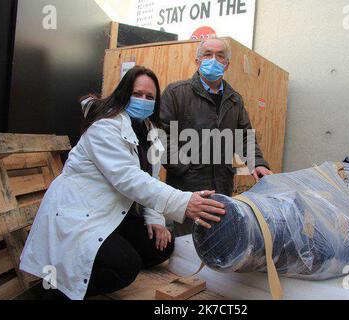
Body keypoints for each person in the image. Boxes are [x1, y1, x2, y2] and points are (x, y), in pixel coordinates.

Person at [19, 66, 226, 300]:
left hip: (113, 211)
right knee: (125, 266)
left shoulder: (151, 132)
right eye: (137, 94)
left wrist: (156, 219)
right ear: (124, 93)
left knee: (161, 247)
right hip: (80, 212)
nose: (143, 100)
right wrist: (184, 201)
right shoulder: (105, 127)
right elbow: (129, 179)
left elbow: (150, 179)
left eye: (150, 97)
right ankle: (52, 292)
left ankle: (103, 260)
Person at [160, 38, 272, 236]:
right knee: (186, 244)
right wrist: (184, 168)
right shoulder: (176, 93)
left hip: (221, 185)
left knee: (215, 241)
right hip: (186, 189)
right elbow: (162, 136)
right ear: (198, 61)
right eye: (208, 54)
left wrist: (257, 163)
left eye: (220, 56)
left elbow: (244, 135)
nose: (213, 59)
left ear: (226, 64)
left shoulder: (234, 99)